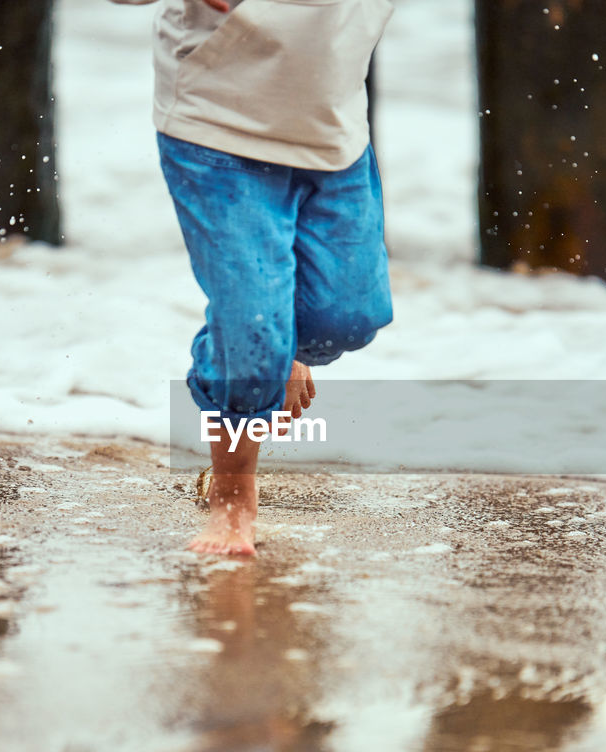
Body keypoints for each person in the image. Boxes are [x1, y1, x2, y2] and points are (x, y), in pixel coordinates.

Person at [111, 0, 395, 555]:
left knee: (347, 317)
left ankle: (261, 349)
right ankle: (232, 503)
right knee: (253, 332)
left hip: (331, 129)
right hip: (218, 127)